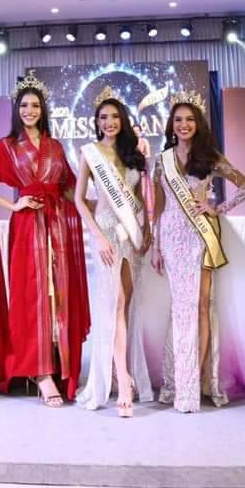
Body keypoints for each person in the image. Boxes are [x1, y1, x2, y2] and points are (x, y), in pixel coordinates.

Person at [0, 74, 90, 406]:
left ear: (43, 110)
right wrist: (12, 204)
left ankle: (59, 366)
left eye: (35, 106)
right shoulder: (7, 146)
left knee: (59, 297)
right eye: (24, 106)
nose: (29, 111)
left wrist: (100, 203)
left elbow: (70, 189)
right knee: (32, 298)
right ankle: (40, 372)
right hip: (28, 227)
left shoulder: (55, 146)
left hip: (57, 227)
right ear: (17, 110)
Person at [151, 92, 245, 412]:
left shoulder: (209, 158)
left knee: (201, 306)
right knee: (180, 307)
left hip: (201, 235)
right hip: (171, 237)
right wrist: (156, 245)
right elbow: (158, 207)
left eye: (189, 119)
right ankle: (177, 378)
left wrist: (217, 208)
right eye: (178, 120)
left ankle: (194, 380)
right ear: (171, 124)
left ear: (199, 124)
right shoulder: (162, 160)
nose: (184, 125)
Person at [73, 90, 154, 416]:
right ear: (96, 122)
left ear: (123, 120)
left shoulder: (133, 153)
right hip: (106, 234)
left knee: (126, 303)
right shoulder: (90, 154)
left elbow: (140, 196)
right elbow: (79, 200)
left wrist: (147, 229)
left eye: (114, 117)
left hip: (131, 236)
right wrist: (97, 236)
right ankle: (122, 380)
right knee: (116, 304)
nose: (109, 122)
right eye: (103, 117)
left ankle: (120, 369)